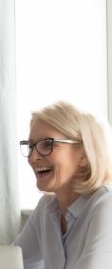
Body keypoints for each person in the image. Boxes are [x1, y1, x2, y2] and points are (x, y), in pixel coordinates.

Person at [14, 101, 112, 269]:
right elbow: (10, 262)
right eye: (31, 146)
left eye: (47, 144)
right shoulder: (46, 209)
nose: (32, 157)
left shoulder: (106, 205)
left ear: (84, 155)